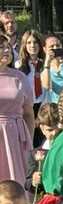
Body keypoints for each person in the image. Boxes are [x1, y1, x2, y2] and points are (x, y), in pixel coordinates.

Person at [0, 35, 32, 186]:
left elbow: (29, 113)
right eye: (1, 47)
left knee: (16, 183)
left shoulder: (20, 77)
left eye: (8, 47)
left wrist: (29, 142)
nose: (7, 50)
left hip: (15, 137)